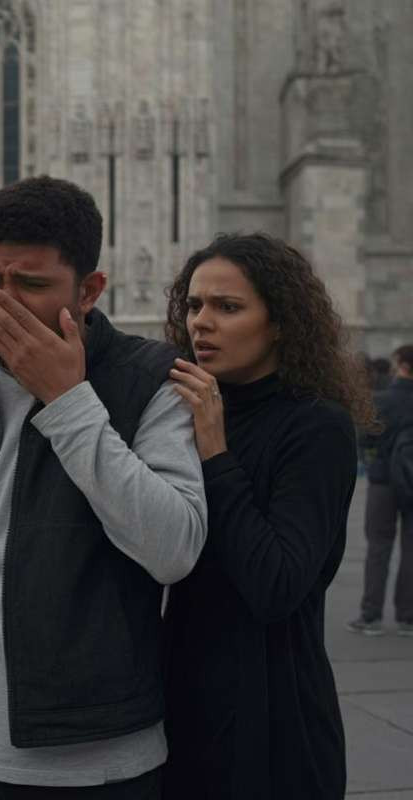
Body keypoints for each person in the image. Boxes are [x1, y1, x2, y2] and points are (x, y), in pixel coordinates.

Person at [0, 176, 208, 800]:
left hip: (101, 756)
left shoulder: (151, 381)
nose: (5, 302)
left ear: (90, 290)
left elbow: (174, 550)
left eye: (31, 284)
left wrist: (69, 400)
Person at [161, 233, 370, 798]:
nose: (202, 322)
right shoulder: (188, 411)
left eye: (228, 307)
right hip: (181, 701)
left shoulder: (315, 426)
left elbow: (275, 583)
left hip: (271, 718)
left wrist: (214, 449)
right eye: (195, 305)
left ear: (279, 322)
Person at [348, 344, 413, 636]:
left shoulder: (382, 400)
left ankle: (371, 614)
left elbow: (366, 438)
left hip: (383, 480)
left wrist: (372, 461)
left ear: (401, 364)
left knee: (378, 548)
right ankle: (408, 616)